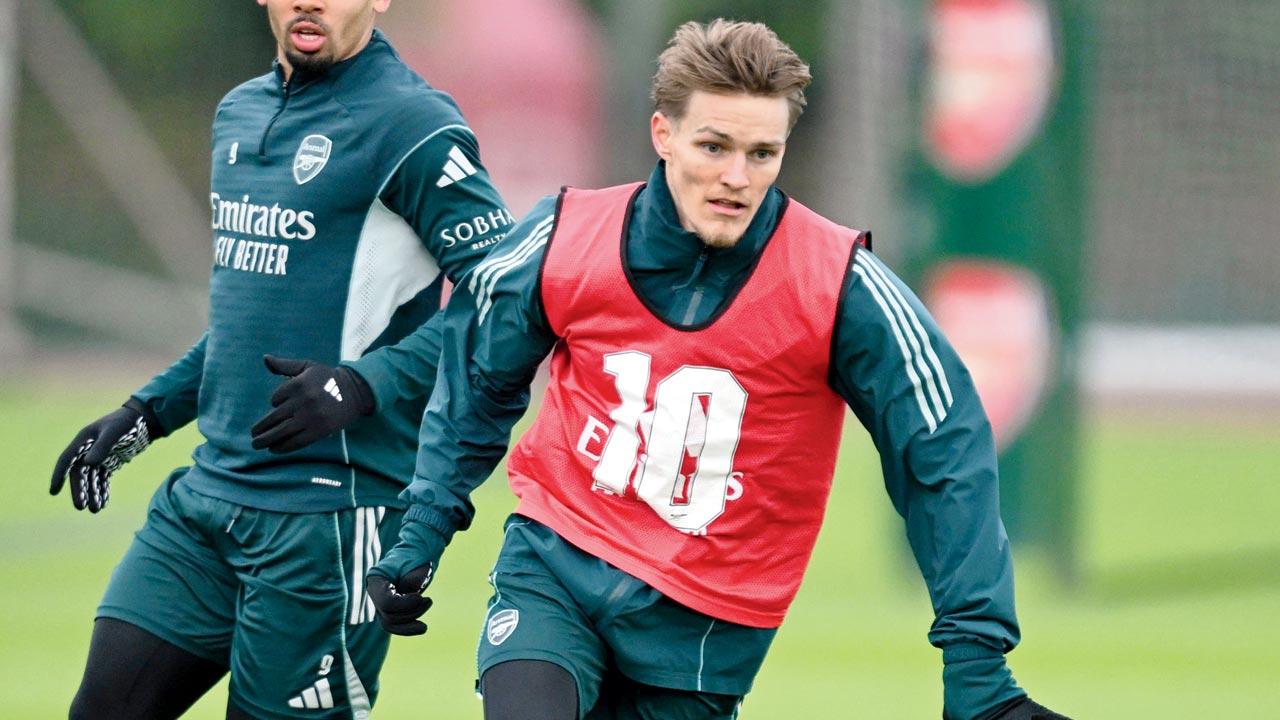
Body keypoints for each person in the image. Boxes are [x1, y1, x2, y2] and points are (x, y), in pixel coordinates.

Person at [364, 18, 1071, 720]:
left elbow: (942, 449)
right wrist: (421, 529)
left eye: (763, 154)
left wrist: (976, 658)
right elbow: (478, 382)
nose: (737, 177)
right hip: (555, 570)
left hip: (705, 628)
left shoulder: (839, 286)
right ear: (663, 134)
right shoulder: (565, 238)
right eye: (714, 146)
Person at [48, 1, 512, 717]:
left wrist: (366, 382)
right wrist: (145, 414)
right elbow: (250, 324)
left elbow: (502, 300)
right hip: (205, 505)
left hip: (327, 523)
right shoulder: (238, 112)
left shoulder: (415, 126)